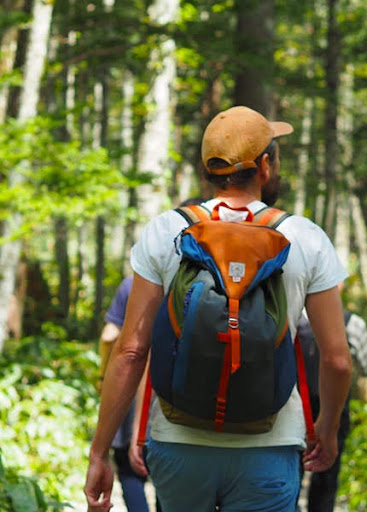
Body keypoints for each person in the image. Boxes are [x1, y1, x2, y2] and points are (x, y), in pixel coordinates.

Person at [85, 105, 352, 512]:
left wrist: (100, 452)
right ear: (265, 166)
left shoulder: (166, 230)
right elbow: (336, 360)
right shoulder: (305, 237)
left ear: (208, 169)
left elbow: (131, 351)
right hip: (270, 443)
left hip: (178, 443)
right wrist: (327, 431)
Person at [297, 291, 367, 512]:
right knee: (326, 477)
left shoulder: (289, 317)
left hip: (294, 412)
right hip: (334, 412)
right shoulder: (353, 324)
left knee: (289, 475)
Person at [97, 276, 151, 512]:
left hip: (130, 388)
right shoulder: (189, 278)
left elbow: (108, 336)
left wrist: (103, 377)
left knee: (129, 471)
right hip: (172, 395)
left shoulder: (133, 284)